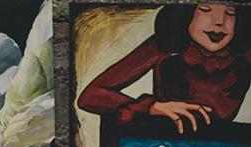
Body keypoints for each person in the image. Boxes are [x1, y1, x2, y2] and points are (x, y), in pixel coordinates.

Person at [78, 4, 251, 133]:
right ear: (185, 13)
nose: (220, 23)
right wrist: (150, 107)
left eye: (230, 13)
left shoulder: (245, 53)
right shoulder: (163, 46)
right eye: (205, 10)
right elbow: (89, 96)